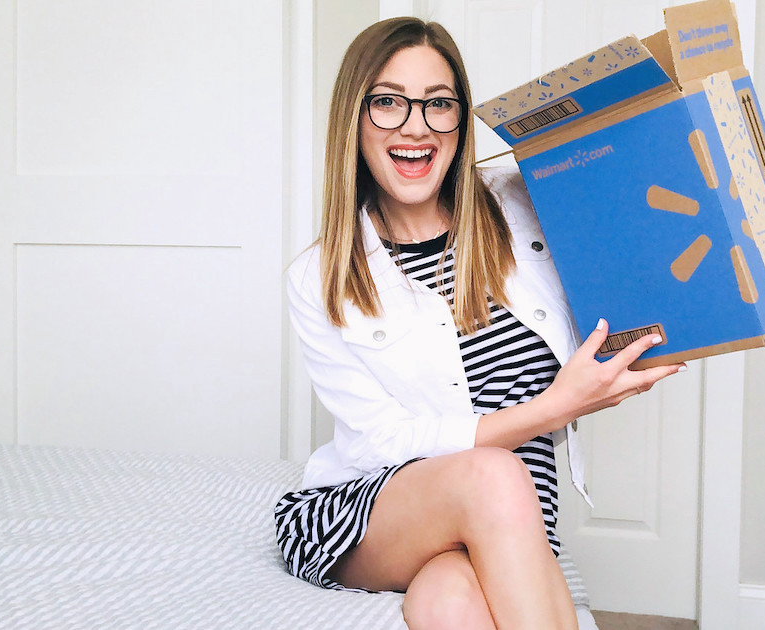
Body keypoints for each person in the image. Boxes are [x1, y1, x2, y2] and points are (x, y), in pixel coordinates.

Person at [274, 16, 686, 630]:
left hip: (510, 512)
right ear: (353, 120)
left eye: (438, 104)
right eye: (388, 102)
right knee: (496, 472)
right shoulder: (318, 277)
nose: (415, 125)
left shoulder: (523, 203)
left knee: (447, 603)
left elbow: (639, 235)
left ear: (461, 121)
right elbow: (380, 442)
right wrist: (554, 409)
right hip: (372, 512)